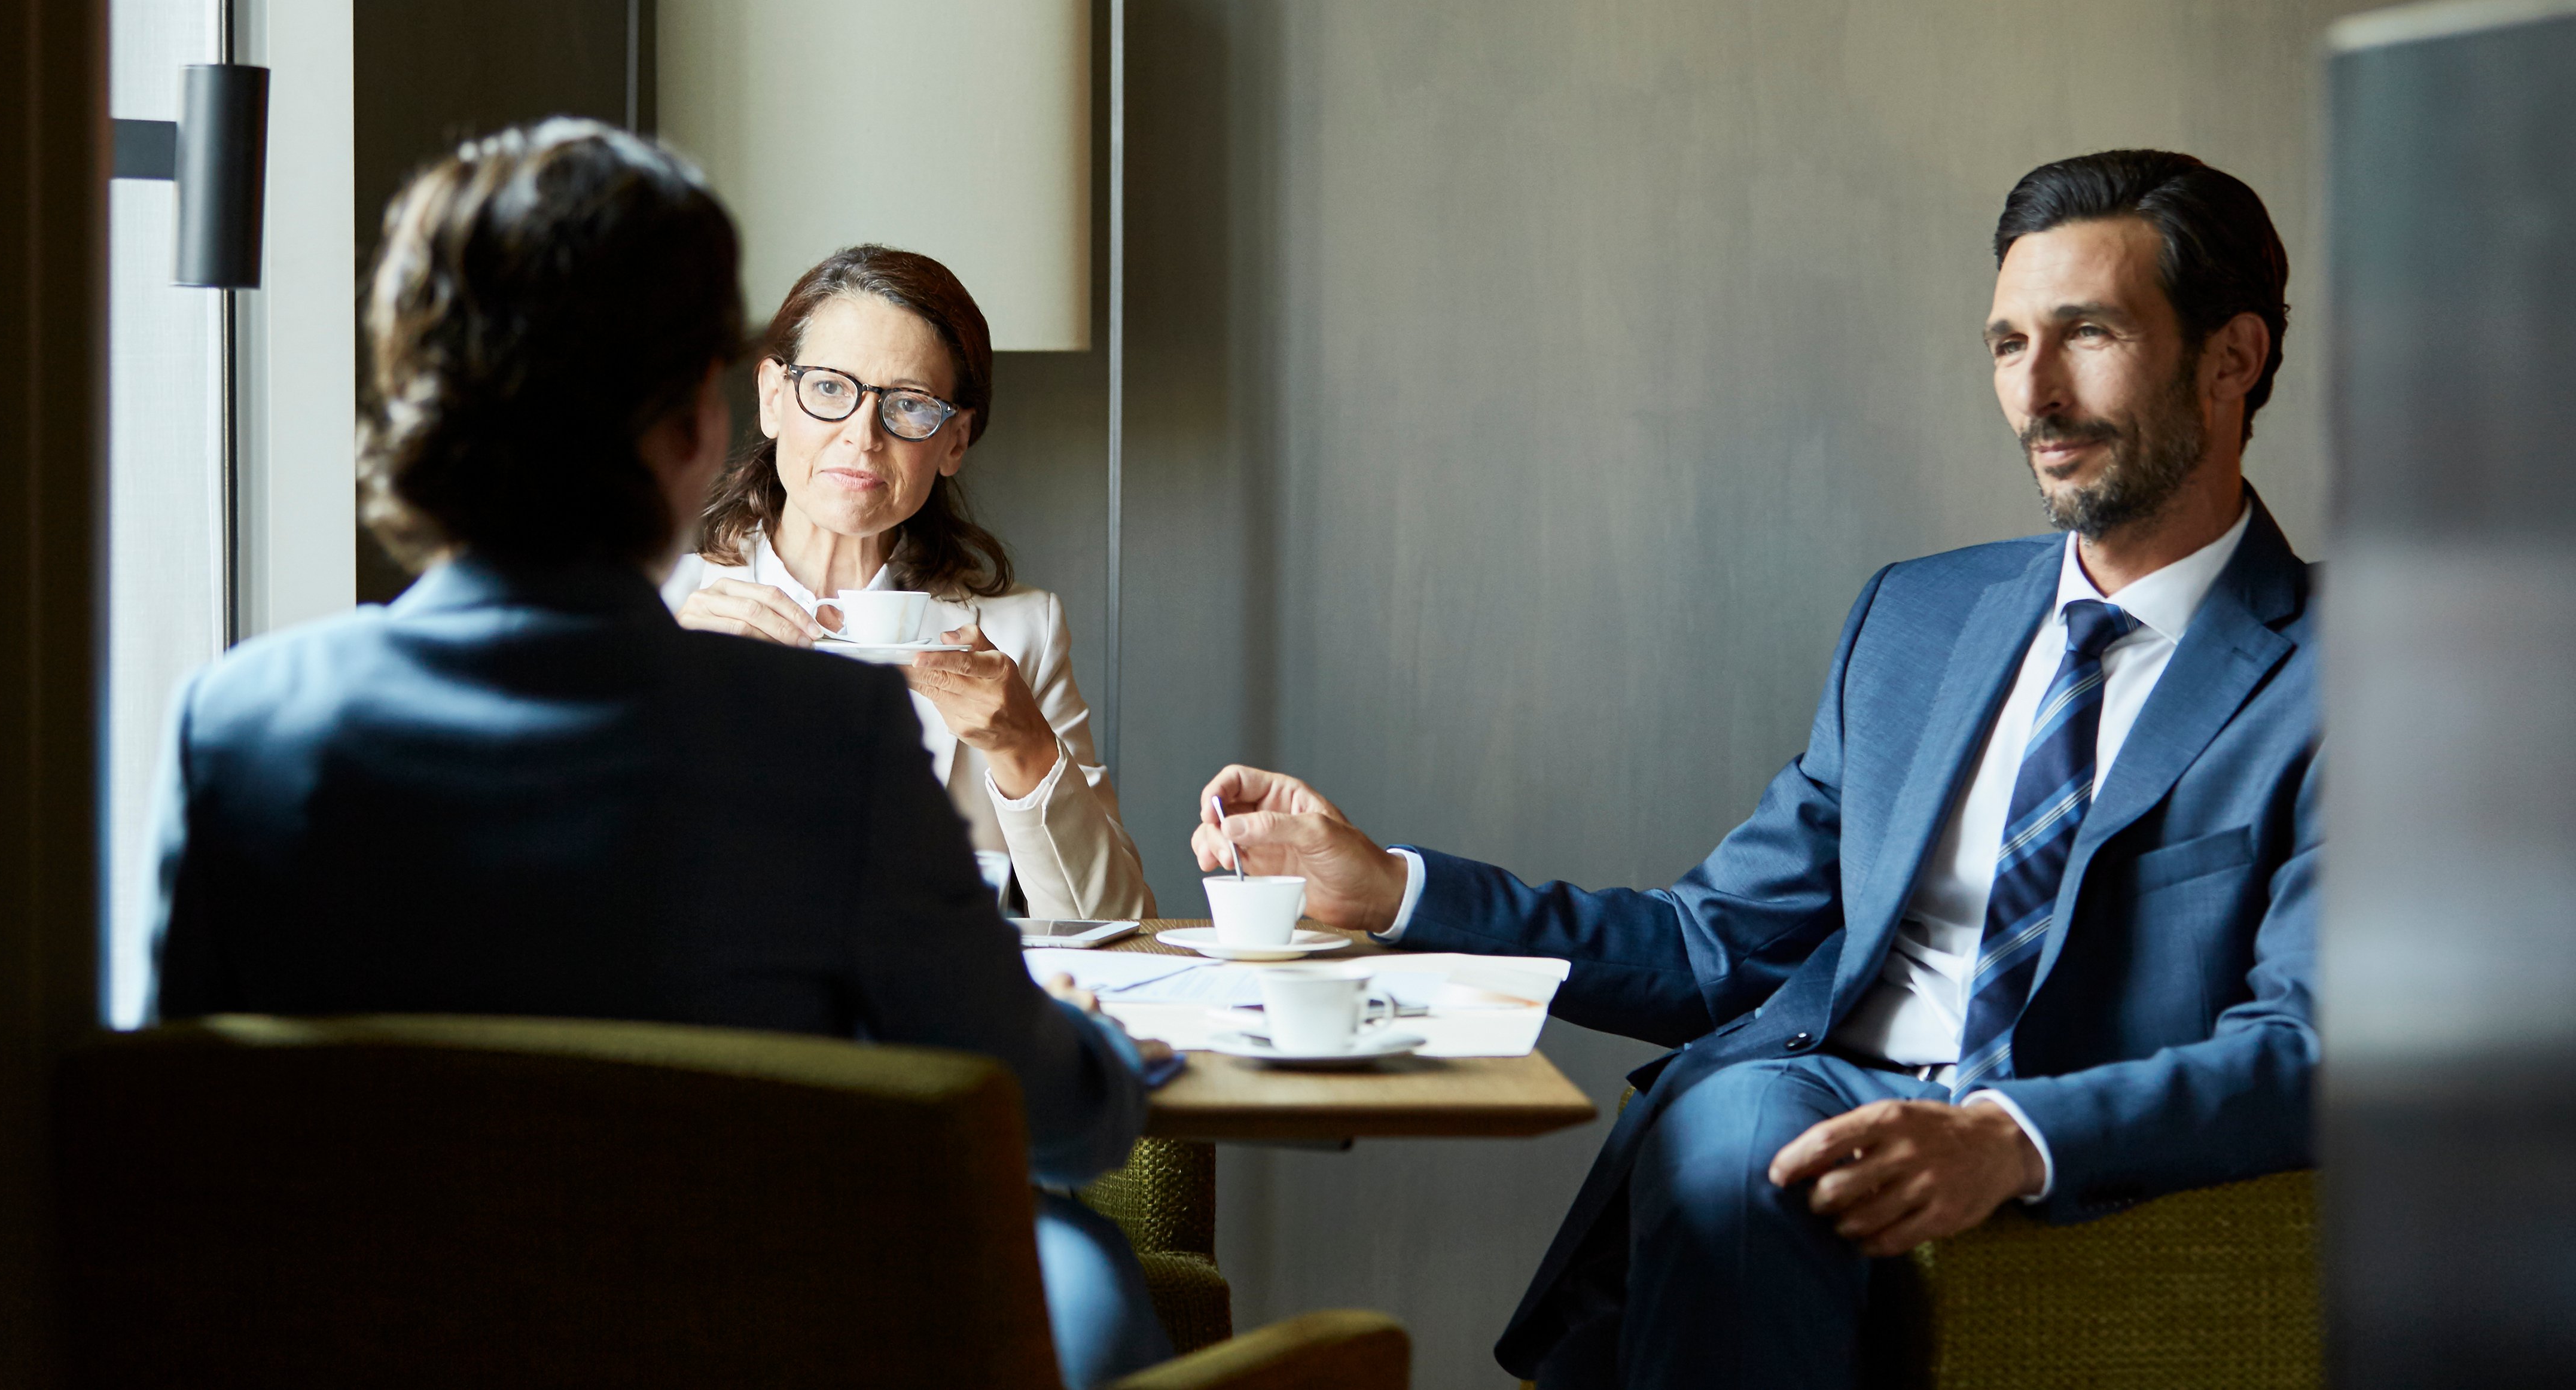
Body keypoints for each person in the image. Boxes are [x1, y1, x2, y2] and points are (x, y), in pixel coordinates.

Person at [1191, 150, 2317, 1390]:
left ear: (2231, 356)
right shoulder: (1917, 618)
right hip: (1811, 1095)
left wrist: (2008, 1134)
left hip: (2074, 1145)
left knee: (1736, 1160)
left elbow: (2314, 1039)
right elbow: (1711, 943)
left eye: (2088, 333)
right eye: (2008, 344)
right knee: (1739, 1131)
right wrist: (1392, 888)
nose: (2036, 393)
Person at [146, 119, 1172, 1387]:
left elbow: (174, 1140)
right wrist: (1103, 1053)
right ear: (709, 419)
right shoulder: (831, 736)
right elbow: (1060, 1118)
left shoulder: (234, 725)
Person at [663, 246, 1154, 922]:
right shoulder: (663, 613)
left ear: (954, 441)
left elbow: (1118, 920)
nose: (863, 435)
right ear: (773, 398)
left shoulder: (1018, 633)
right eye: (829, 388)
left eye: (909, 404)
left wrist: (1026, 749)